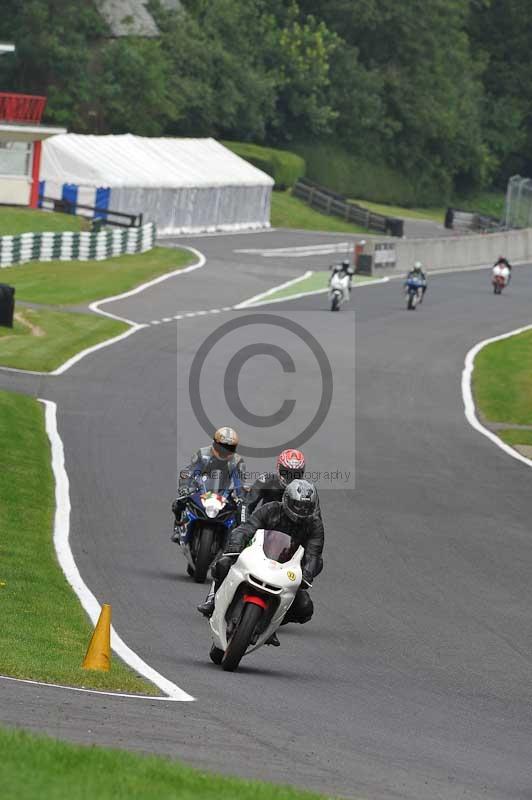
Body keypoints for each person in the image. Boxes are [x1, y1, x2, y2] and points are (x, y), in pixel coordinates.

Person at [197, 479, 324, 648]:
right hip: (258, 555)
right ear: (286, 499)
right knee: (223, 564)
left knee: (304, 607)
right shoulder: (270, 509)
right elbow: (246, 528)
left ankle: (272, 625)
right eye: (297, 505)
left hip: (286, 568)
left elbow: (314, 554)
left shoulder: (315, 526)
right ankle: (213, 600)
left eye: (306, 507)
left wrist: (307, 573)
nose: (301, 511)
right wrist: (235, 545)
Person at [171, 427, 246, 542]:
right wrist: (184, 487)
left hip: (223, 494)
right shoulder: (203, 454)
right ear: (215, 444)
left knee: (241, 513)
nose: (225, 451)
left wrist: (241, 497)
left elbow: (238, 482)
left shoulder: (237, 461)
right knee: (178, 502)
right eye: (222, 447)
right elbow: (189, 472)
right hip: (201, 489)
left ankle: (235, 540)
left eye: (229, 448)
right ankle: (178, 525)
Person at [245, 448, 307, 515]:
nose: (290, 477)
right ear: (278, 468)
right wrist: (244, 524)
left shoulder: (307, 490)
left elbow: (314, 519)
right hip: (264, 523)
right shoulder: (266, 481)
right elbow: (247, 506)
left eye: (296, 474)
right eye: (286, 472)